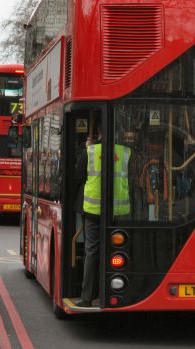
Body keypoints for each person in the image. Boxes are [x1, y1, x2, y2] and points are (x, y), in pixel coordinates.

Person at [74, 125, 131, 308]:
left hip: (92, 211)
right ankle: (115, 291)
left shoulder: (89, 152)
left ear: (99, 133)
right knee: (117, 251)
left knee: (92, 251)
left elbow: (78, 177)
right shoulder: (125, 152)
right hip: (119, 212)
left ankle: (87, 297)